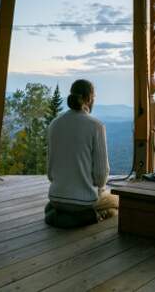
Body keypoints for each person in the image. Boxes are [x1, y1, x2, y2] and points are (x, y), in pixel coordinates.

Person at [45, 79, 118, 228]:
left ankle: (60, 213)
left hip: (55, 197)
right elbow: (101, 175)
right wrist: (100, 188)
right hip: (84, 201)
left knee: (62, 203)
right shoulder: (96, 126)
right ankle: (91, 216)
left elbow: (50, 173)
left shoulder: (54, 124)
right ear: (89, 98)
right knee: (117, 202)